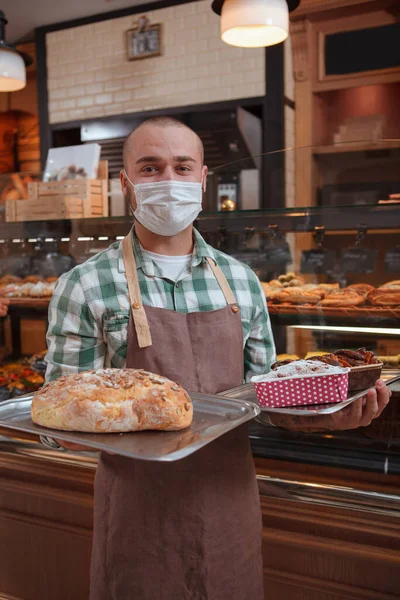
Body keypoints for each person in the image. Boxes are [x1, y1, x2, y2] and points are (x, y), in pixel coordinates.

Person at [44, 116, 391, 599]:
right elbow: (60, 419)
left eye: (182, 167)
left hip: (230, 506)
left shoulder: (243, 281)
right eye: (150, 168)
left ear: (203, 180)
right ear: (126, 184)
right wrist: (76, 433)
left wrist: (326, 416)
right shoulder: (82, 286)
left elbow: (268, 406)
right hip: (138, 518)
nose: (168, 180)